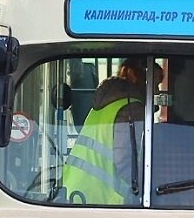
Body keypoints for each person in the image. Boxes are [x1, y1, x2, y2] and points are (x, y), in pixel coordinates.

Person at [62, 75, 145, 205]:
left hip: (74, 190)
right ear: (144, 83)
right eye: (155, 83)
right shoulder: (132, 109)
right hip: (102, 199)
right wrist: (149, 186)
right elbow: (126, 164)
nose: (157, 89)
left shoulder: (103, 107)